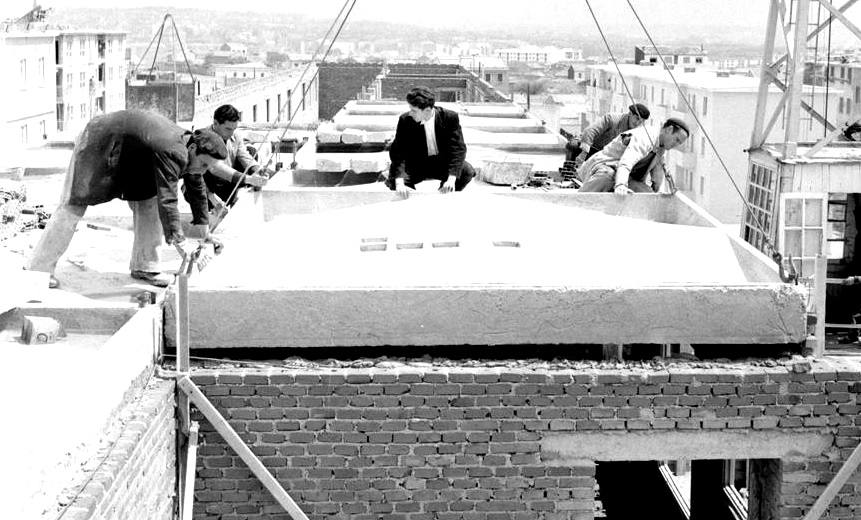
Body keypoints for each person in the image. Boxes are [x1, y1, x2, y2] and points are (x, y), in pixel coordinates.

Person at [28, 110, 226, 289]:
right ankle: (39, 270)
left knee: (148, 202)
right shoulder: (172, 150)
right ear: (193, 150)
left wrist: (205, 232)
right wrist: (180, 242)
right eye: (203, 164)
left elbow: (197, 189)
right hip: (101, 140)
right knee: (73, 206)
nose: (203, 170)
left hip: (132, 153)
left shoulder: (192, 150)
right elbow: (168, 199)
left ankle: (145, 266)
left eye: (208, 167)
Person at [385, 86, 475, 199]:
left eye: (414, 110)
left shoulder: (449, 118)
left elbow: (458, 149)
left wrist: (451, 180)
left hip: (442, 163)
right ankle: (407, 200)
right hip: (416, 163)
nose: (410, 113)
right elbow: (398, 152)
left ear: (427, 110)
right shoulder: (405, 120)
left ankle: (444, 195)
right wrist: (400, 183)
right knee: (395, 180)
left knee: (466, 171)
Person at [577, 117, 690, 195]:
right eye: (677, 140)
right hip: (605, 166)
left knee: (646, 196)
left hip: (625, 175)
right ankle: (579, 202)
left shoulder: (661, 147)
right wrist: (621, 185)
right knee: (607, 177)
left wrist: (658, 193)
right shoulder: (646, 137)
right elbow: (626, 162)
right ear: (669, 130)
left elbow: (658, 173)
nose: (676, 145)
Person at [204, 104, 269, 205]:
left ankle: (239, 195)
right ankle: (214, 204)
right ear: (215, 123)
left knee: (251, 152)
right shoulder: (203, 138)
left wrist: (258, 170)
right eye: (228, 129)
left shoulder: (235, 135)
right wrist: (248, 179)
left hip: (230, 181)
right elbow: (216, 168)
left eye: (234, 129)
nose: (231, 133)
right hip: (209, 185)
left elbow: (245, 156)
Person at [566, 103, 650, 167]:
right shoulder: (612, 119)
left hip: (606, 156)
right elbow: (590, 131)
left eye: (641, 121)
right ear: (630, 113)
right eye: (637, 118)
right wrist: (583, 153)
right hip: (591, 148)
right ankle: (569, 174)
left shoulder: (637, 132)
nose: (638, 123)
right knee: (573, 145)